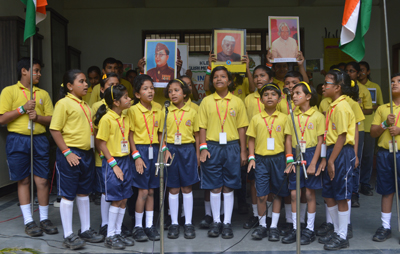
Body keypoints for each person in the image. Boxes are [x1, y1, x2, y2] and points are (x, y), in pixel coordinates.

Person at [0, 57, 57, 237]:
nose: (39, 74)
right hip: (17, 139)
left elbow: (52, 119)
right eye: (36, 70)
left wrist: (37, 118)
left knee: (42, 180)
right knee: (23, 180)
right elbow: (1, 119)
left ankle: (44, 218)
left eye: (40, 71)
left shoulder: (43, 94)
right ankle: (28, 221)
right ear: (24, 71)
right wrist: (22, 109)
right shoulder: (9, 91)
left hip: (39, 139)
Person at [50, 69, 104, 250]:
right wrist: (66, 152)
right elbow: (55, 130)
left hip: (86, 154)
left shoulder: (86, 105)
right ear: (69, 86)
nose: (86, 84)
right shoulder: (63, 104)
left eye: (85, 81)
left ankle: (85, 229)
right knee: (68, 194)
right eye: (81, 81)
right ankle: (68, 235)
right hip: (70, 154)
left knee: (84, 193)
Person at [199, 66, 248, 239]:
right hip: (212, 146)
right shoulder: (206, 101)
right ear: (212, 81)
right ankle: (216, 221)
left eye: (223, 76)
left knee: (229, 185)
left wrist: (243, 151)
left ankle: (227, 222)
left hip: (232, 146)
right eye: (216, 77)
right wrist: (203, 147)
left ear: (229, 80)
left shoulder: (237, 101)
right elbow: (202, 127)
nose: (219, 79)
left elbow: (242, 128)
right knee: (215, 185)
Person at [317, 71, 365, 240]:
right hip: (332, 150)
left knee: (342, 195)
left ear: (337, 87)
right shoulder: (332, 105)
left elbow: (342, 136)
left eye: (327, 83)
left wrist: (330, 160)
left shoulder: (342, 107)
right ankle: (337, 231)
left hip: (341, 152)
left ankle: (342, 236)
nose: (323, 86)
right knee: (329, 194)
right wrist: (327, 157)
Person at [282, 82, 325, 245]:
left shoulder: (318, 116)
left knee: (309, 193)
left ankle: (310, 228)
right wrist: (289, 159)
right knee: (294, 193)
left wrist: (314, 162)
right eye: (293, 93)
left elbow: (321, 141)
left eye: (298, 93)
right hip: (295, 153)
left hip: (311, 152)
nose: (294, 96)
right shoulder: (291, 116)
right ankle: (295, 227)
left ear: (308, 96)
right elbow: (287, 139)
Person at [246, 83, 289, 241]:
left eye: (273, 94)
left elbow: (288, 140)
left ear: (279, 98)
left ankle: (273, 227)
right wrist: (251, 157)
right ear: (261, 99)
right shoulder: (256, 118)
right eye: (266, 95)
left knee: (277, 194)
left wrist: (288, 159)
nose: (269, 97)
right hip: (261, 160)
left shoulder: (284, 118)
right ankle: (262, 225)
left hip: (278, 159)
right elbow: (251, 139)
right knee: (262, 195)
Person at [95, 84, 134, 249]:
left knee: (124, 199)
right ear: (116, 102)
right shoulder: (106, 119)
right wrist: (114, 165)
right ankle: (110, 235)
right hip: (113, 162)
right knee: (116, 200)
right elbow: (101, 143)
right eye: (126, 97)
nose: (129, 99)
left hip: (126, 160)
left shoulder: (125, 117)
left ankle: (118, 233)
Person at [160, 79, 200, 239]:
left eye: (176, 90)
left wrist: (197, 154)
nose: (173, 94)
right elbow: (160, 134)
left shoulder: (192, 112)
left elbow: (197, 135)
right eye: (170, 91)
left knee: (187, 188)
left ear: (184, 93)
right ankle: (175, 223)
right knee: (173, 188)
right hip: (171, 150)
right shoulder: (165, 111)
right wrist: (164, 150)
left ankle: (188, 223)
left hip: (188, 150)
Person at [128, 74, 162, 242]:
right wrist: (136, 157)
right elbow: (130, 135)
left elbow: (161, 133)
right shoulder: (133, 110)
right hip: (140, 151)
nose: (150, 91)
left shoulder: (159, 108)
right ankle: (138, 227)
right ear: (137, 94)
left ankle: (149, 225)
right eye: (145, 89)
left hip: (154, 150)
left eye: (152, 88)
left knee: (151, 191)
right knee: (142, 191)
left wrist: (163, 149)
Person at [370, 73, 400, 242]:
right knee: (386, 191)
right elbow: (373, 133)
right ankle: (385, 226)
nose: (394, 84)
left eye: (398, 81)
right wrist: (385, 124)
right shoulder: (383, 109)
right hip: (384, 154)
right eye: (392, 82)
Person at [243, 65, 273, 230]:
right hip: (255, 149)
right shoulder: (248, 99)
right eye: (255, 76)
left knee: (272, 184)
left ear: (270, 79)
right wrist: (247, 148)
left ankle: (269, 216)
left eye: (262, 75)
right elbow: (246, 124)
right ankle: (256, 215)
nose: (258, 79)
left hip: (274, 150)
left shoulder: (276, 96)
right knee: (254, 183)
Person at [91, 72, 120, 236]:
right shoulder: (97, 106)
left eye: (117, 85)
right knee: (105, 191)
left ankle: (116, 225)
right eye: (110, 85)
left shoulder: (121, 104)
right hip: (103, 157)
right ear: (102, 89)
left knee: (118, 191)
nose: (113, 88)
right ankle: (105, 223)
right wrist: (103, 154)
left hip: (120, 156)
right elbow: (95, 135)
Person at [345, 62, 373, 208]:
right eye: (347, 71)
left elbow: (369, 109)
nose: (349, 73)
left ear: (358, 73)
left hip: (358, 129)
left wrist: (359, 107)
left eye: (352, 71)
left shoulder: (363, 90)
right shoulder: (340, 90)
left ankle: (354, 193)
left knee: (356, 160)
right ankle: (344, 192)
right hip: (341, 131)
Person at [359, 61, 384, 196]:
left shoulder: (375, 87)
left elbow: (380, 105)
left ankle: (365, 183)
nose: (360, 73)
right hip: (356, 127)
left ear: (368, 72)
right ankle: (354, 185)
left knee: (367, 157)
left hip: (369, 125)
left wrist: (366, 108)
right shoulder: (352, 87)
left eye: (363, 70)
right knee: (356, 156)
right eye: (359, 70)